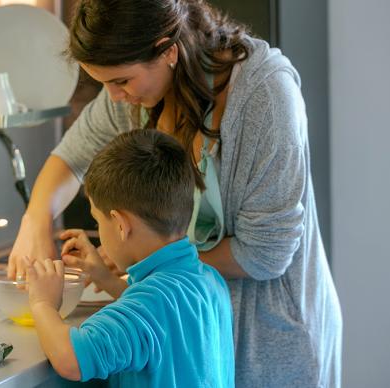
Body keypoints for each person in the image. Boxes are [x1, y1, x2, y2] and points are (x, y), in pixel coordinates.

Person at [8, 0, 342, 386]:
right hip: (202, 328)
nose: (114, 97)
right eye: (103, 83)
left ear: (168, 49)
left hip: (275, 335)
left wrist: (146, 257)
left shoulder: (264, 95)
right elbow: (72, 156)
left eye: (120, 81)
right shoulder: (137, 90)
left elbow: (267, 252)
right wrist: (34, 222)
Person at [24, 129, 234, 386]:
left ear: (121, 224)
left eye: (98, 220)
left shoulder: (146, 306)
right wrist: (106, 279)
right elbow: (162, 318)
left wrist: (42, 303)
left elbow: (72, 361)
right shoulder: (210, 280)